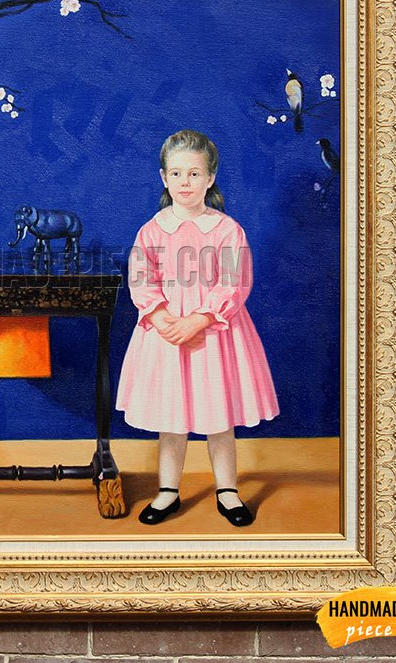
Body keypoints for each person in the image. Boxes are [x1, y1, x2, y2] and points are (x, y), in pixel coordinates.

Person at [116, 129, 279, 527]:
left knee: (217, 416)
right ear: (163, 178)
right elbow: (141, 278)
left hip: (215, 336)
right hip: (167, 335)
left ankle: (228, 490)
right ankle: (168, 491)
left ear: (210, 178)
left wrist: (200, 319)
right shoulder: (152, 230)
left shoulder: (227, 230)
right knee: (172, 418)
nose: (185, 182)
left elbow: (234, 282)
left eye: (194, 174)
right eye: (176, 174)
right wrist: (160, 317)